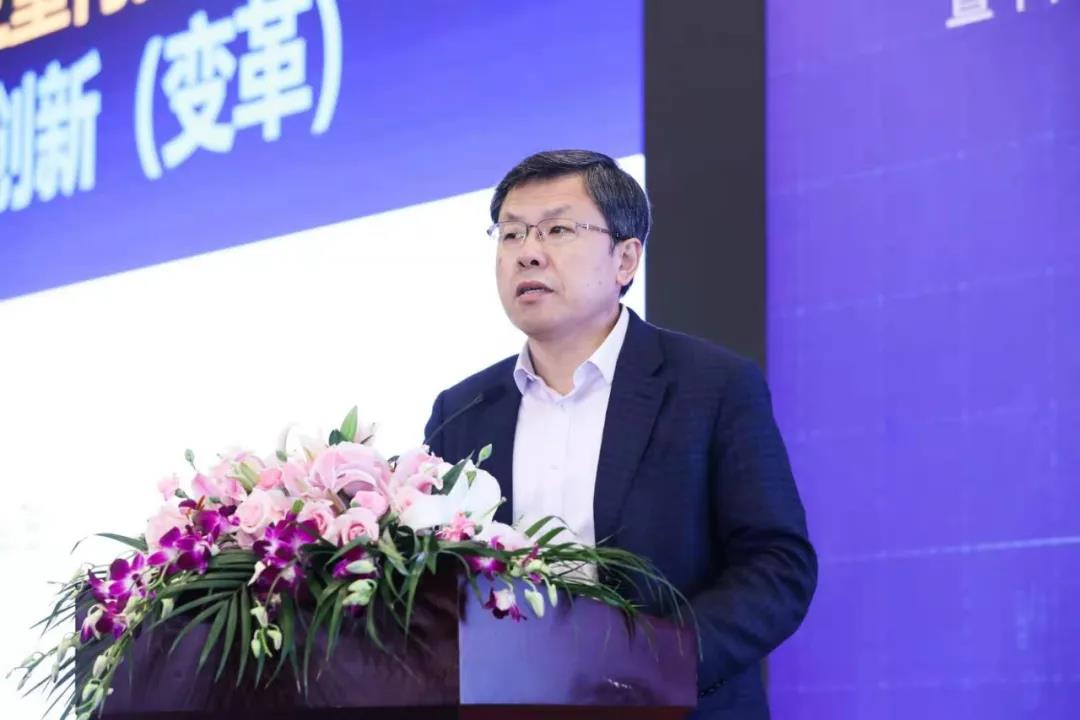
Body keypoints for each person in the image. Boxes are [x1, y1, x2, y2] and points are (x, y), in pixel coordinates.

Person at [423, 149, 816, 719]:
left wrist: (654, 665)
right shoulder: (461, 410)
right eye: (510, 234)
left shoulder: (712, 386)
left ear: (625, 259)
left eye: (557, 229)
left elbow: (777, 567)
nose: (527, 252)